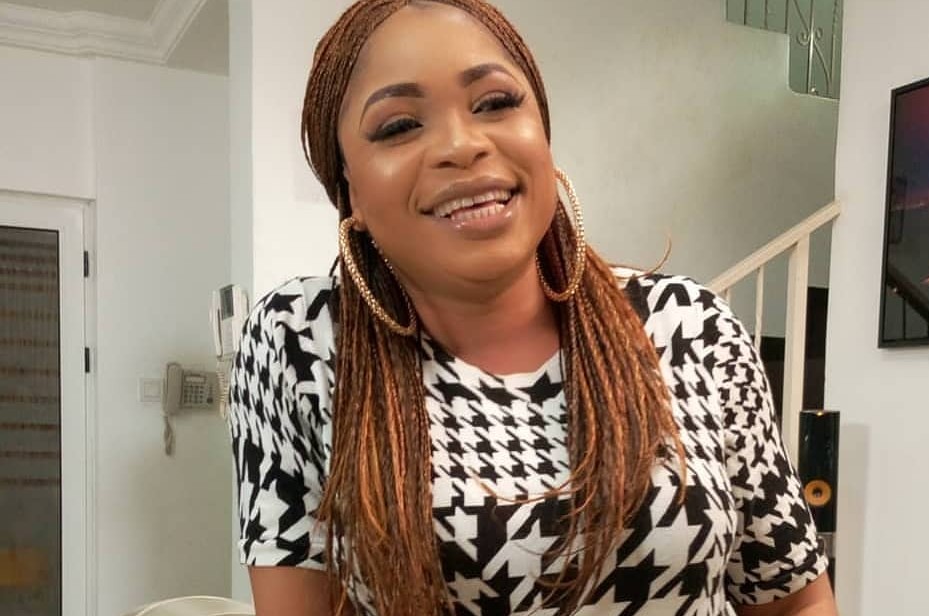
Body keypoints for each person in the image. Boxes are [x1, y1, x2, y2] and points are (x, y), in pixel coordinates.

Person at [228, 1, 838, 615]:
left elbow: (793, 603)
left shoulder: (691, 327)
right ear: (349, 189)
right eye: (398, 126)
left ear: (542, 134)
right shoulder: (300, 343)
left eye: (494, 103)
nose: (461, 145)